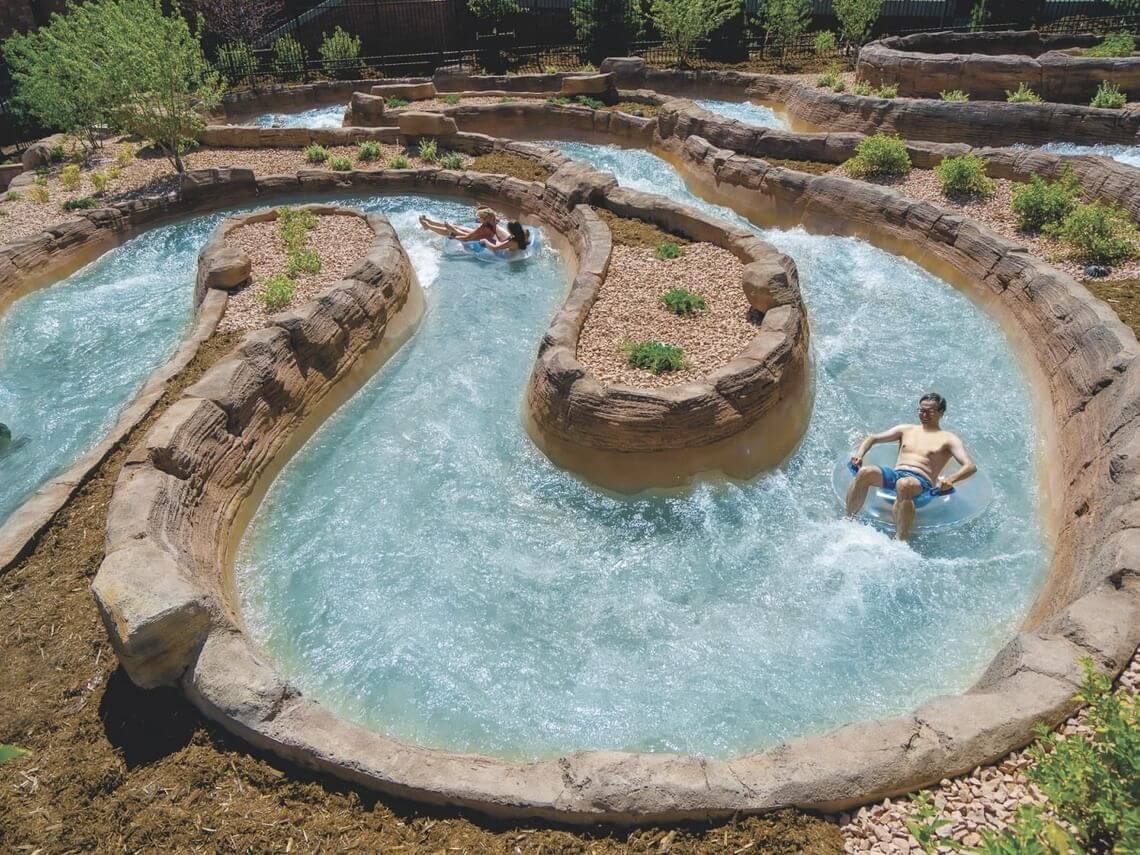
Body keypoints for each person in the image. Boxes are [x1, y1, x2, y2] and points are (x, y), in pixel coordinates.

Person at [845, 393, 977, 540]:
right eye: (921, 410)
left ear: (941, 413)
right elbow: (873, 438)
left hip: (921, 483)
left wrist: (951, 479)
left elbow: (970, 466)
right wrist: (859, 455)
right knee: (865, 472)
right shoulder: (906, 429)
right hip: (896, 475)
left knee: (904, 484)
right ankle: (848, 521)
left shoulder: (949, 439)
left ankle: (900, 540)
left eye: (930, 411)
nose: (924, 414)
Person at [418, 207, 507, 243]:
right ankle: (430, 221)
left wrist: (453, 236)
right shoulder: (493, 220)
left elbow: (466, 238)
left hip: (478, 240)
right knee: (455, 227)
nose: (478, 219)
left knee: (449, 231)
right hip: (483, 236)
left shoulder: (483, 228)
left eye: (479, 217)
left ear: (484, 219)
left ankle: (428, 226)